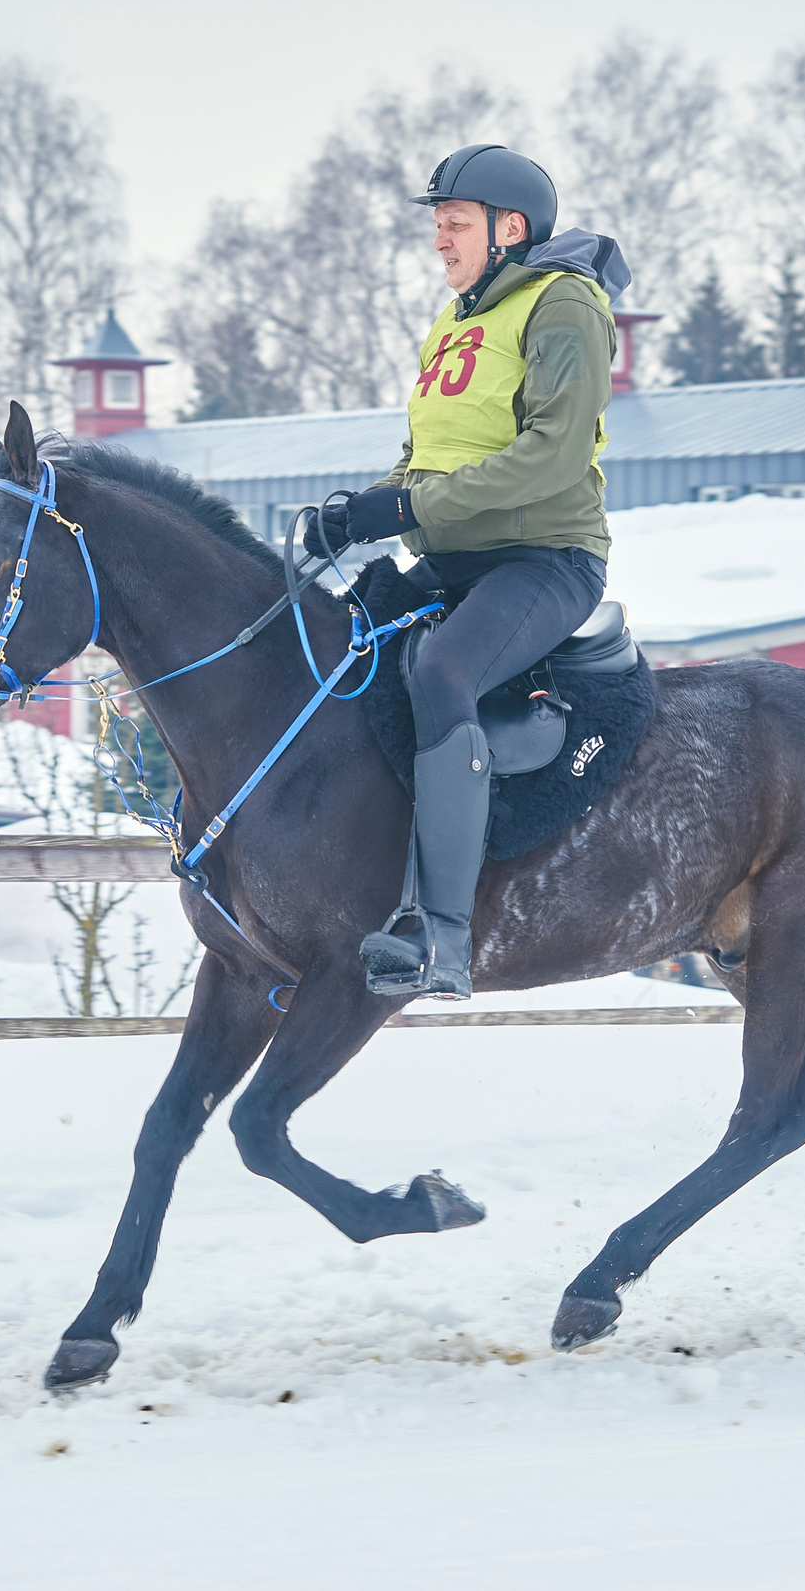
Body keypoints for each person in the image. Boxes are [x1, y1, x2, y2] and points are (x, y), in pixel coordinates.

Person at [305, 143, 630, 999]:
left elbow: (552, 457)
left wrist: (409, 511)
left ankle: (441, 936)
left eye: (454, 225)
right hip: (452, 556)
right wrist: (356, 511)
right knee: (337, 649)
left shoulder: (566, 306)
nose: (440, 242)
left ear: (508, 228)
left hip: (544, 560)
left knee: (445, 670)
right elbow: (428, 460)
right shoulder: (455, 321)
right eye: (438, 227)